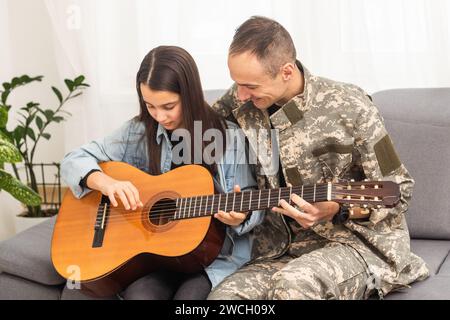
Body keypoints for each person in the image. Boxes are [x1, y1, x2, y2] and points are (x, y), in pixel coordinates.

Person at [207, 16, 429, 300]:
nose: (239, 94)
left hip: (355, 245)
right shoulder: (241, 102)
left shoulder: (351, 106)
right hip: (279, 250)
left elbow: (399, 189)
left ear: (286, 71)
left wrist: (338, 207)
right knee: (223, 299)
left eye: (249, 85)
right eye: (236, 84)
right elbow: (191, 128)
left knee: (294, 285)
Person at [60, 46, 263, 300]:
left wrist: (240, 217)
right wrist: (105, 183)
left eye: (168, 106)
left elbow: (251, 199)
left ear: (188, 96)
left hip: (211, 259)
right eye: (150, 106)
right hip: (157, 258)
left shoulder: (229, 137)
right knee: (140, 297)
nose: (159, 116)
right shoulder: (138, 131)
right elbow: (72, 160)